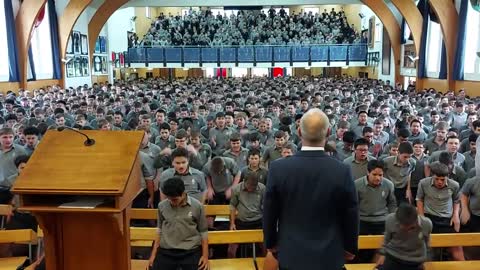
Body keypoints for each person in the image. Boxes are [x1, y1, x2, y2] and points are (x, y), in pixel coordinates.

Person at [263, 109, 358, 270]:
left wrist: (271, 243)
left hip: (291, 254)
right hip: (330, 255)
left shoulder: (279, 168)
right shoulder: (342, 170)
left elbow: (270, 212)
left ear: (299, 131)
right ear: (328, 132)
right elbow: (351, 213)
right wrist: (350, 247)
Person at [148, 177, 209, 270]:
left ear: (183, 193)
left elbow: (203, 232)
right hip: (167, 250)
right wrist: (153, 256)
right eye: (169, 199)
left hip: (190, 250)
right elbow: (159, 230)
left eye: (175, 199)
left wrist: (205, 256)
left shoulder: (197, 206)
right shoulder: (162, 206)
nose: (172, 202)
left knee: (202, 268)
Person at [416, 162, 465, 261]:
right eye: (436, 179)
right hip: (429, 217)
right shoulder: (423, 183)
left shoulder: (454, 185)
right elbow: (419, 199)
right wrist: (421, 218)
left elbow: (456, 200)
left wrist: (455, 215)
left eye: (442, 180)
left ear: (447, 177)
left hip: (447, 220)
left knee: (457, 253)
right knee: (426, 253)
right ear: (431, 176)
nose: (439, 182)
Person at [375, 203, 432, 270]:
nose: (408, 231)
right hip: (393, 256)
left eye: (411, 228)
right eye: (404, 227)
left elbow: (426, 243)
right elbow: (386, 239)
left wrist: (426, 260)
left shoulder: (426, 224)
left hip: (415, 260)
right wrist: (383, 254)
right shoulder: (390, 219)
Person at [228, 172, 266, 258]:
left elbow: (265, 207)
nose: (251, 189)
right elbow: (232, 206)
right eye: (249, 186)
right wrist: (232, 223)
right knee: (231, 249)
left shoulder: (262, 188)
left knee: (266, 247)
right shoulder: (236, 189)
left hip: (258, 222)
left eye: (254, 186)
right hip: (241, 222)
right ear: (244, 181)